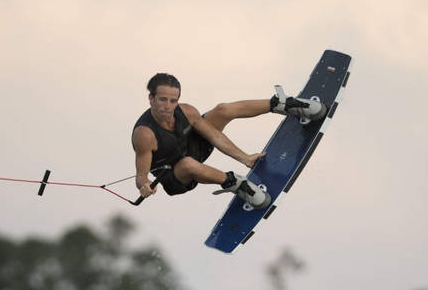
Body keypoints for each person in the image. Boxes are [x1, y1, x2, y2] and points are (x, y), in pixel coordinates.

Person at [131, 73, 325, 208]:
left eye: (173, 101)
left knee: (223, 109)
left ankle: (281, 105)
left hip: (193, 148)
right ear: (151, 98)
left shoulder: (187, 111)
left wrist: (245, 158)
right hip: (176, 176)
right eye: (162, 99)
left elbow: (213, 135)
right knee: (189, 164)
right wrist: (144, 185)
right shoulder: (144, 135)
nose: (168, 106)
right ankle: (235, 184)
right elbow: (141, 175)